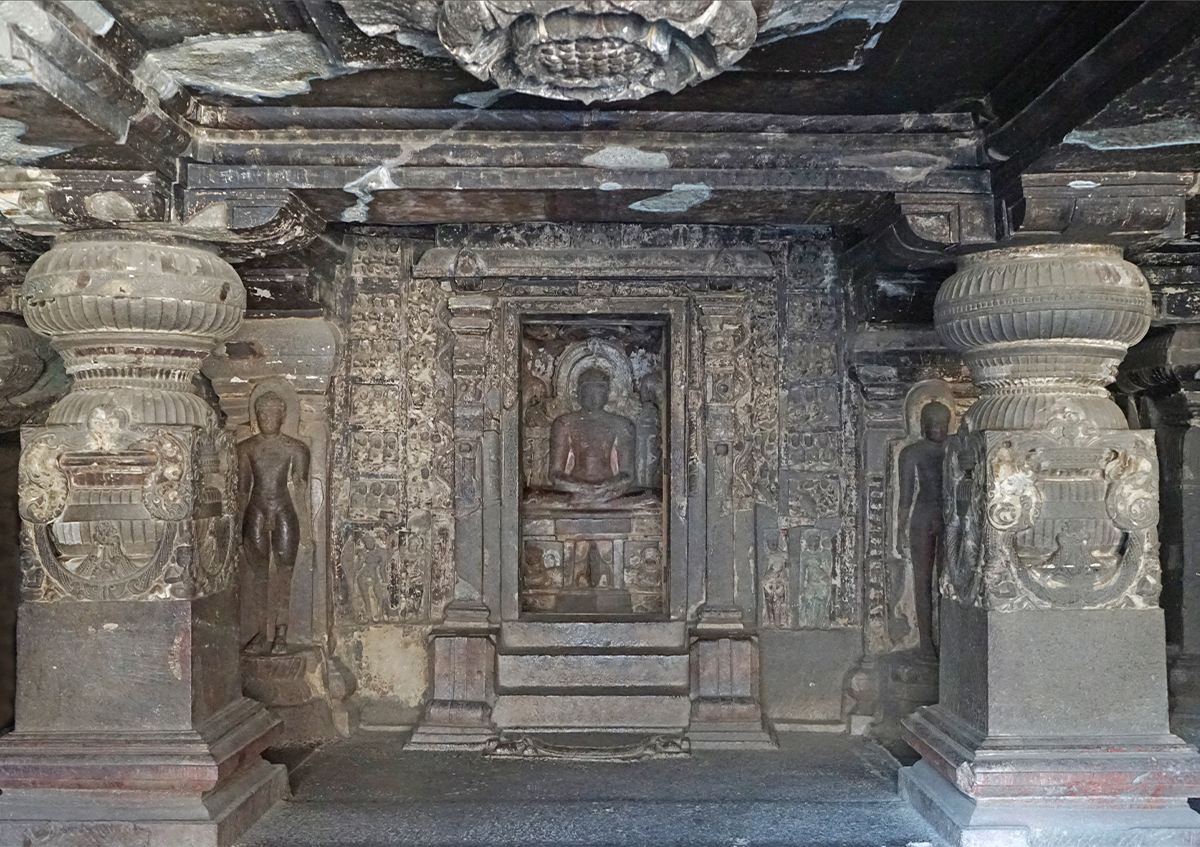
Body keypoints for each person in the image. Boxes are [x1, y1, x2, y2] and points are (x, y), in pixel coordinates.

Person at [238, 392, 310, 655]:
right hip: (256, 509)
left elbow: (300, 490)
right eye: (263, 413)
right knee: (258, 575)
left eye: (273, 413)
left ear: (283, 416)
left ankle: (281, 632)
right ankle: (260, 632)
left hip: (284, 510)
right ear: (256, 417)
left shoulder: (296, 449)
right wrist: (236, 528)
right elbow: (242, 490)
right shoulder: (246, 448)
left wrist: (307, 529)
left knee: (284, 573)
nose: (268, 418)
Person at [896, 401, 951, 657]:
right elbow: (905, 497)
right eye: (933, 424)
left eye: (943, 424)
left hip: (949, 518)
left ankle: (949, 635)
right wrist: (900, 529)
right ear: (922, 425)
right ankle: (926, 639)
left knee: (948, 579)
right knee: (922, 581)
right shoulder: (912, 453)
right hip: (923, 518)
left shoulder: (954, 448)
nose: (938, 429)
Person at [548, 368, 637, 503]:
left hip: (609, 492)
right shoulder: (564, 424)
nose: (592, 396)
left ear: (608, 394)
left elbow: (628, 475)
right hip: (574, 491)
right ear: (578, 393)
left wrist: (603, 487)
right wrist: (581, 488)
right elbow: (555, 474)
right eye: (587, 390)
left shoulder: (623, 425)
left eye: (599, 390)